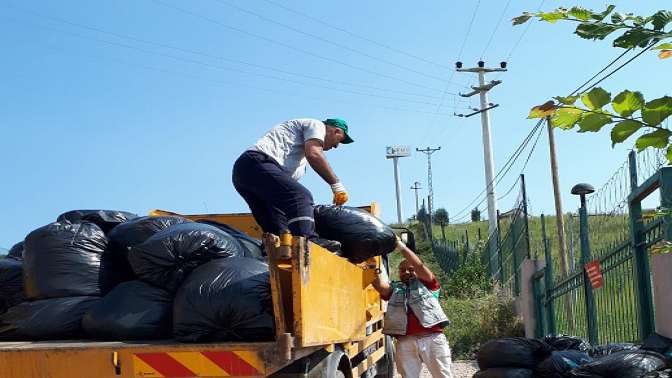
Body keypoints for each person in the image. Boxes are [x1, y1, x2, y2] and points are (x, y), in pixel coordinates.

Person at [232, 118, 353, 250]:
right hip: (257, 162)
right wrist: (336, 185)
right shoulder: (316, 125)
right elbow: (314, 154)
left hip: (243, 174)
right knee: (301, 196)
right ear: (335, 131)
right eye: (339, 141)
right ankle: (308, 241)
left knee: (278, 226)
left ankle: (275, 252)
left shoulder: (298, 161)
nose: (336, 146)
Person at [373, 239, 453, 378]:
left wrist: (400, 246)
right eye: (402, 270)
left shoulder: (429, 285)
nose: (406, 272)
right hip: (406, 341)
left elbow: (419, 265)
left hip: (432, 339)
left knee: (443, 375)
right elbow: (380, 286)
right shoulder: (395, 290)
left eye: (411, 269)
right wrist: (370, 263)